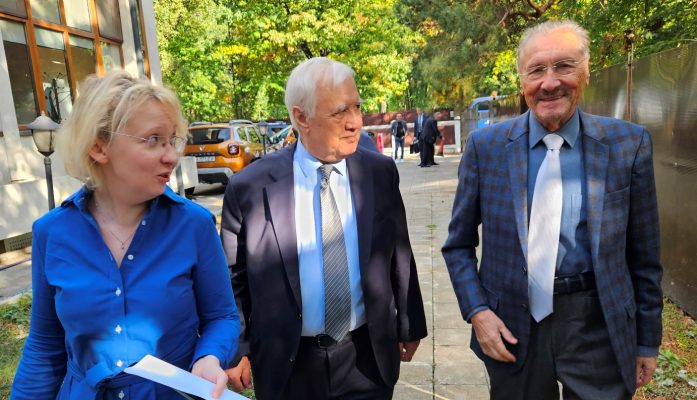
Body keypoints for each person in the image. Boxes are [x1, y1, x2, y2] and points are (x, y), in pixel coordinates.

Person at [442, 20, 662, 400]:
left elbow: (645, 258)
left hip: (598, 326)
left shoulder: (628, 145)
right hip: (512, 326)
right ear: (522, 81)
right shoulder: (485, 148)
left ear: (586, 72)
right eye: (536, 70)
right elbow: (458, 245)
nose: (549, 82)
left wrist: (646, 340)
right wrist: (478, 312)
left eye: (564, 66)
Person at [11, 70, 240, 399]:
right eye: (153, 140)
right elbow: (45, 346)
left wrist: (209, 356)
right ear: (99, 147)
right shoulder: (52, 233)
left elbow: (221, 316)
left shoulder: (194, 225)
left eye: (172, 140)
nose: (171, 156)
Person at [222, 57, 427, 400]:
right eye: (340, 111)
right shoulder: (250, 187)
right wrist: (237, 347)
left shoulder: (379, 173)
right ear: (301, 117)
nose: (355, 122)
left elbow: (399, 254)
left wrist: (409, 324)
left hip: (366, 356)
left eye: (357, 107)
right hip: (288, 364)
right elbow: (234, 277)